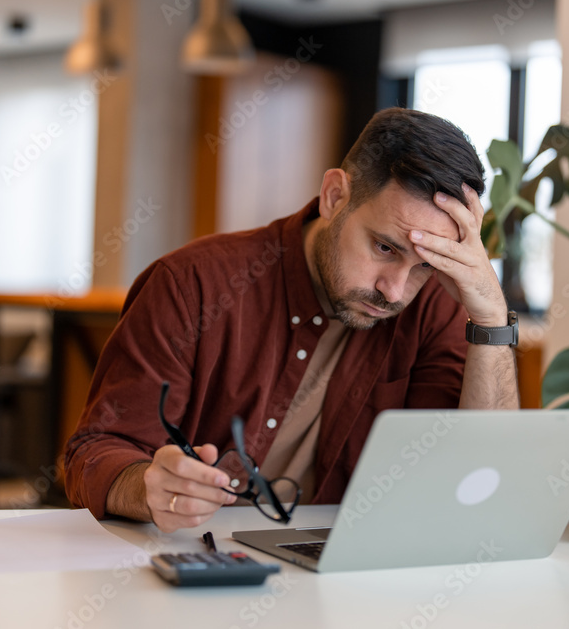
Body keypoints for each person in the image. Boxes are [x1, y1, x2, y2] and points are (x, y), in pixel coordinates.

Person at [63, 107, 519, 531]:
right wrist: (149, 488)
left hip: (348, 585)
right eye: (384, 248)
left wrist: (492, 316)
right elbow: (94, 453)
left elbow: (481, 486)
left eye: (424, 265)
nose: (395, 290)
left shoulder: (433, 307)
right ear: (334, 196)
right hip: (198, 573)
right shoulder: (191, 286)